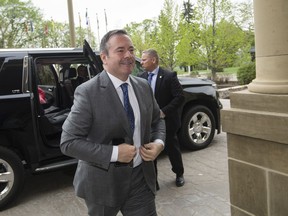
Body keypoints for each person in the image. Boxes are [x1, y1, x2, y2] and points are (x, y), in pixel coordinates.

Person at [60, 29, 166, 216]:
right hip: (102, 184)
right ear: (104, 57)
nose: (128, 55)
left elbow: (158, 121)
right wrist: (115, 153)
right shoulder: (88, 92)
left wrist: (159, 143)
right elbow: (68, 143)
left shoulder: (143, 87)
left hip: (141, 179)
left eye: (131, 50)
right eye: (120, 50)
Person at [138, 49, 185, 189]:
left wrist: (164, 112)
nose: (141, 62)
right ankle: (154, 181)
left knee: (172, 148)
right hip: (148, 123)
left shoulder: (169, 76)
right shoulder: (140, 77)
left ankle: (179, 174)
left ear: (153, 60)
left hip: (167, 121)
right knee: (150, 151)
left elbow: (180, 97)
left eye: (144, 59)